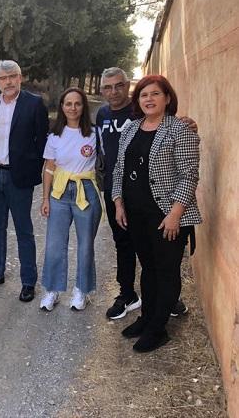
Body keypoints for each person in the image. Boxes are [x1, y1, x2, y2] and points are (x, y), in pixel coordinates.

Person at [112, 74, 201, 353]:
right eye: (143, 95)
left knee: (166, 270)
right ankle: (147, 318)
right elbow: (118, 169)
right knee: (148, 268)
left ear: (167, 98)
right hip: (137, 215)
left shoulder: (180, 129)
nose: (149, 99)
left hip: (167, 216)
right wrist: (118, 202)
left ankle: (158, 329)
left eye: (155, 94)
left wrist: (175, 213)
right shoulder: (131, 128)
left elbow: (189, 176)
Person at [97, 67, 191, 320]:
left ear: (128, 86)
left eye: (118, 85)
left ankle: (169, 300)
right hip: (117, 190)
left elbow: (171, 134)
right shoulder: (102, 114)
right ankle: (127, 294)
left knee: (162, 253)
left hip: (154, 196)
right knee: (124, 244)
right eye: (107, 87)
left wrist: (188, 123)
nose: (113, 91)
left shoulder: (143, 112)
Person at [0, 60, 49, 303]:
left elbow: (42, 143)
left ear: (20, 77)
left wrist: (33, 169)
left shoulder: (34, 103)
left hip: (18, 177)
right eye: (3, 78)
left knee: (23, 230)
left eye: (12, 76)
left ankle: (28, 281)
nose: (8, 82)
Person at [39, 88, 102, 311]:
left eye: (77, 103)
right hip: (60, 192)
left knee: (85, 246)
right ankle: (52, 290)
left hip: (85, 191)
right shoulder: (55, 136)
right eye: (68, 103)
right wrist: (45, 198)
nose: (73, 108)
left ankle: (81, 290)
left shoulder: (95, 134)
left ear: (83, 106)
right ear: (62, 107)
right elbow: (49, 169)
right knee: (55, 244)